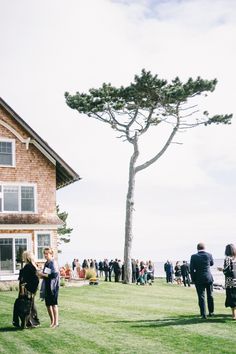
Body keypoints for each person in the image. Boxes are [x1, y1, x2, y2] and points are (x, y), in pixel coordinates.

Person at [13, 250, 40, 328]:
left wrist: (22, 290)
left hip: (26, 289)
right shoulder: (33, 267)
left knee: (25, 305)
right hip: (31, 289)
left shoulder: (28, 267)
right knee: (30, 305)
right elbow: (36, 280)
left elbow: (23, 280)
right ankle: (32, 321)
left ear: (26, 257)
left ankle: (29, 322)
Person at [190, 242, 214, 319]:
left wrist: (193, 279)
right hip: (208, 277)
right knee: (210, 295)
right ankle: (211, 312)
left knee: (201, 297)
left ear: (197, 248)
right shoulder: (209, 255)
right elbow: (212, 264)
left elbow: (191, 269)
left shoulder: (193, 256)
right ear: (204, 248)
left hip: (199, 278)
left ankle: (203, 314)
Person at [38, 247, 60, 328]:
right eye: (44, 253)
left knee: (54, 304)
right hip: (47, 286)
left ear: (51, 254)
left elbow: (54, 275)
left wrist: (42, 274)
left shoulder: (53, 263)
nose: (45, 255)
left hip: (53, 287)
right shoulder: (46, 263)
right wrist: (40, 275)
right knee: (48, 305)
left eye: (47, 253)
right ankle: (52, 322)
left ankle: (56, 323)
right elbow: (46, 275)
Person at [218, 244, 236, 319]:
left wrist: (221, 269)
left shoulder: (227, 258)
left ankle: (234, 315)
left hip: (230, 280)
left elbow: (227, 269)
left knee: (232, 296)